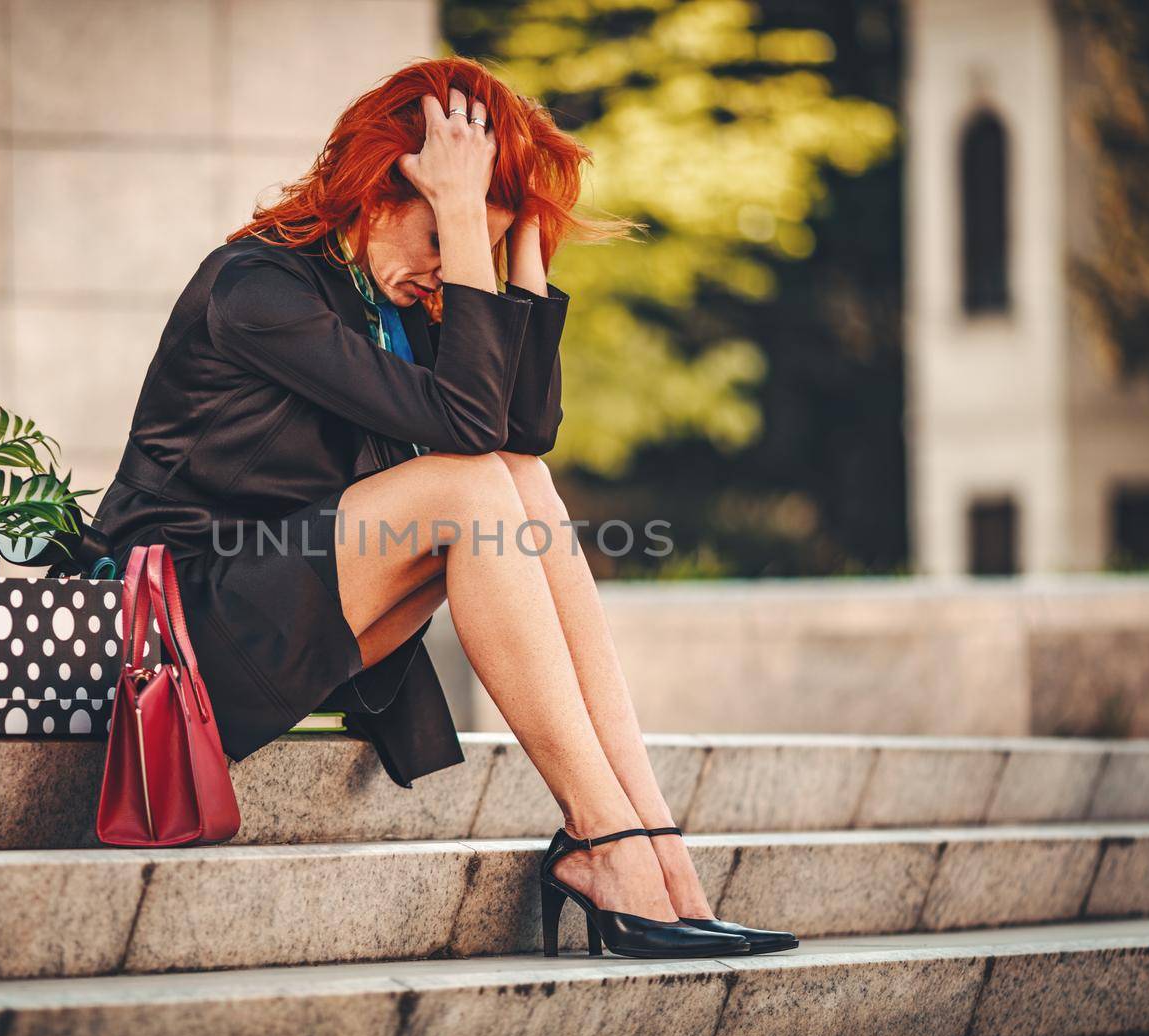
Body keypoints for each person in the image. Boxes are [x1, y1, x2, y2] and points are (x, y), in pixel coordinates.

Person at [94, 56, 796, 959]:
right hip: (180, 632)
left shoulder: (384, 295)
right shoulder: (257, 288)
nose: (445, 272)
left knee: (520, 482)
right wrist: (468, 215)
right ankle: (602, 839)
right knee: (470, 487)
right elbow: (466, 428)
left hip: (291, 614)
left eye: (464, 250)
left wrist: (520, 241)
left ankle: (653, 851)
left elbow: (524, 429)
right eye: (441, 237)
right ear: (377, 188)